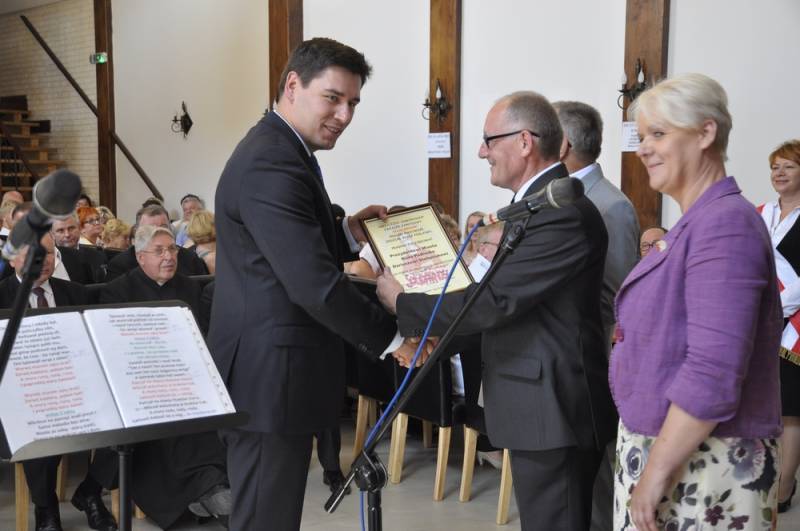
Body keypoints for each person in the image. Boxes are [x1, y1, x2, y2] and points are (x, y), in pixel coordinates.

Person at [376, 91, 615, 531]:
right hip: (538, 407)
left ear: (524, 141)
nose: (482, 152)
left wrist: (403, 303)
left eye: (489, 140)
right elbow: (511, 308)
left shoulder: (561, 213)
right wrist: (432, 339)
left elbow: (496, 302)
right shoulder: (538, 206)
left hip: (554, 409)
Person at [210, 37, 404, 531]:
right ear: (293, 85)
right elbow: (314, 284)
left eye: (353, 103)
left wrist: (347, 232)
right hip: (269, 377)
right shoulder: (271, 159)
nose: (344, 115)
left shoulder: (285, 150)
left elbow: (283, 248)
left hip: (276, 373)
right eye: (333, 98)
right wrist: (395, 339)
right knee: (265, 519)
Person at [611, 73, 782, 531]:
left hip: (706, 462)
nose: (643, 149)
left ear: (706, 133)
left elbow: (714, 369)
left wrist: (655, 472)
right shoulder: (700, 222)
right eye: (642, 137)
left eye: (658, 133)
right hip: (678, 451)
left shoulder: (725, 225)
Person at [96, 225, 229, 527]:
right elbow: (112, 348)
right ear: (140, 256)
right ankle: (203, 490)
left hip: (185, 379)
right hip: (139, 384)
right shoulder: (118, 291)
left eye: (172, 249)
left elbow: (201, 337)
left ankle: (211, 486)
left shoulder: (188, 287)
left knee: (211, 412)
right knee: (165, 422)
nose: (169, 256)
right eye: (159, 251)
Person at [554, 100, 640, 531]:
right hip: (569, 351)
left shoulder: (611, 205)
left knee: (602, 476)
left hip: (600, 353)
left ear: (563, 144)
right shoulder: (564, 198)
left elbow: (619, 296)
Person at [0, 232, 117, 531]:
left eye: (50, 253)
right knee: (37, 421)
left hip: (77, 389)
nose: (44, 260)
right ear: (12, 258)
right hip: (20, 395)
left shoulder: (75, 292)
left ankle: (90, 491)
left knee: (126, 417)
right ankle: (46, 508)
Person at [758, 139, 800, 513]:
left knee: (789, 410)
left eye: (788, 166)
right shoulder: (762, 213)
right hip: (757, 323)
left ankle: (784, 488)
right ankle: (762, 479)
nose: (780, 173)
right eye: (775, 167)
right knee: (760, 403)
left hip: (793, 328)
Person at [104, 204, 208, 280]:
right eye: (150, 228)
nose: (159, 232)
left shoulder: (190, 259)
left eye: (164, 227)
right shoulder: (120, 265)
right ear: (137, 232)